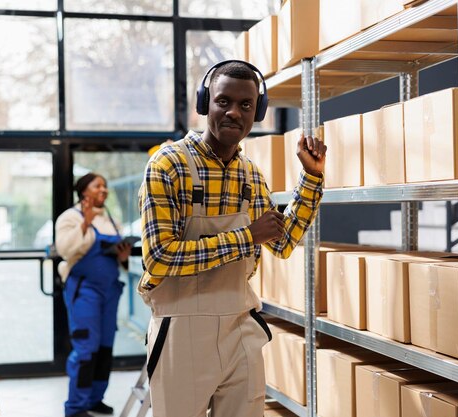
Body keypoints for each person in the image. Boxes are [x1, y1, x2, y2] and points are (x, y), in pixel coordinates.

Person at [137, 60, 327, 417]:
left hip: (239, 324)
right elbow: (160, 257)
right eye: (223, 101)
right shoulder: (168, 165)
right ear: (205, 103)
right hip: (181, 327)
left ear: (257, 112)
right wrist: (246, 237)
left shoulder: (250, 175)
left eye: (245, 105)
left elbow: (282, 243)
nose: (233, 113)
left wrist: (312, 179)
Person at [55, 172, 132, 417]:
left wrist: (122, 257)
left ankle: (95, 399)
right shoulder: (70, 217)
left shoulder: (110, 219)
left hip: (109, 291)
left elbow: (120, 260)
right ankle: (77, 406)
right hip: (84, 291)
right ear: (84, 191)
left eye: (105, 186)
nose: (104, 189)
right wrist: (85, 223)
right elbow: (66, 251)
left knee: (105, 346)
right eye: (98, 185)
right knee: (86, 347)